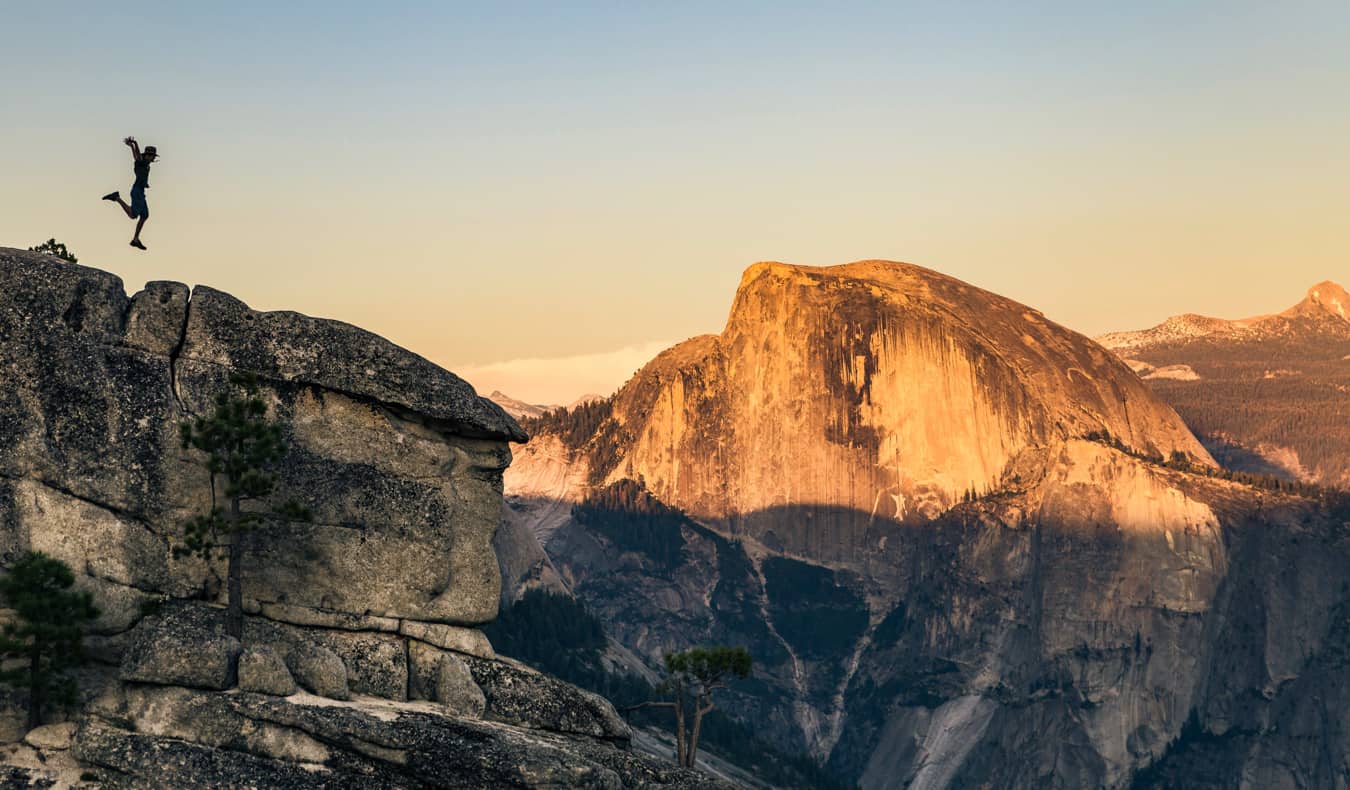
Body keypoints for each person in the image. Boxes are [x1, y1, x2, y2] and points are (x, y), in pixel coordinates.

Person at [102, 137, 159, 250]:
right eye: (151, 155)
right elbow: (137, 156)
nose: (152, 158)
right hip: (137, 191)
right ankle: (116, 198)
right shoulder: (141, 162)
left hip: (140, 191)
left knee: (145, 215)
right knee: (133, 215)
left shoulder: (146, 165)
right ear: (146, 155)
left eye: (153, 156)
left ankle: (135, 239)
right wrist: (135, 144)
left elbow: (139, 165)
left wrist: (145, 183)